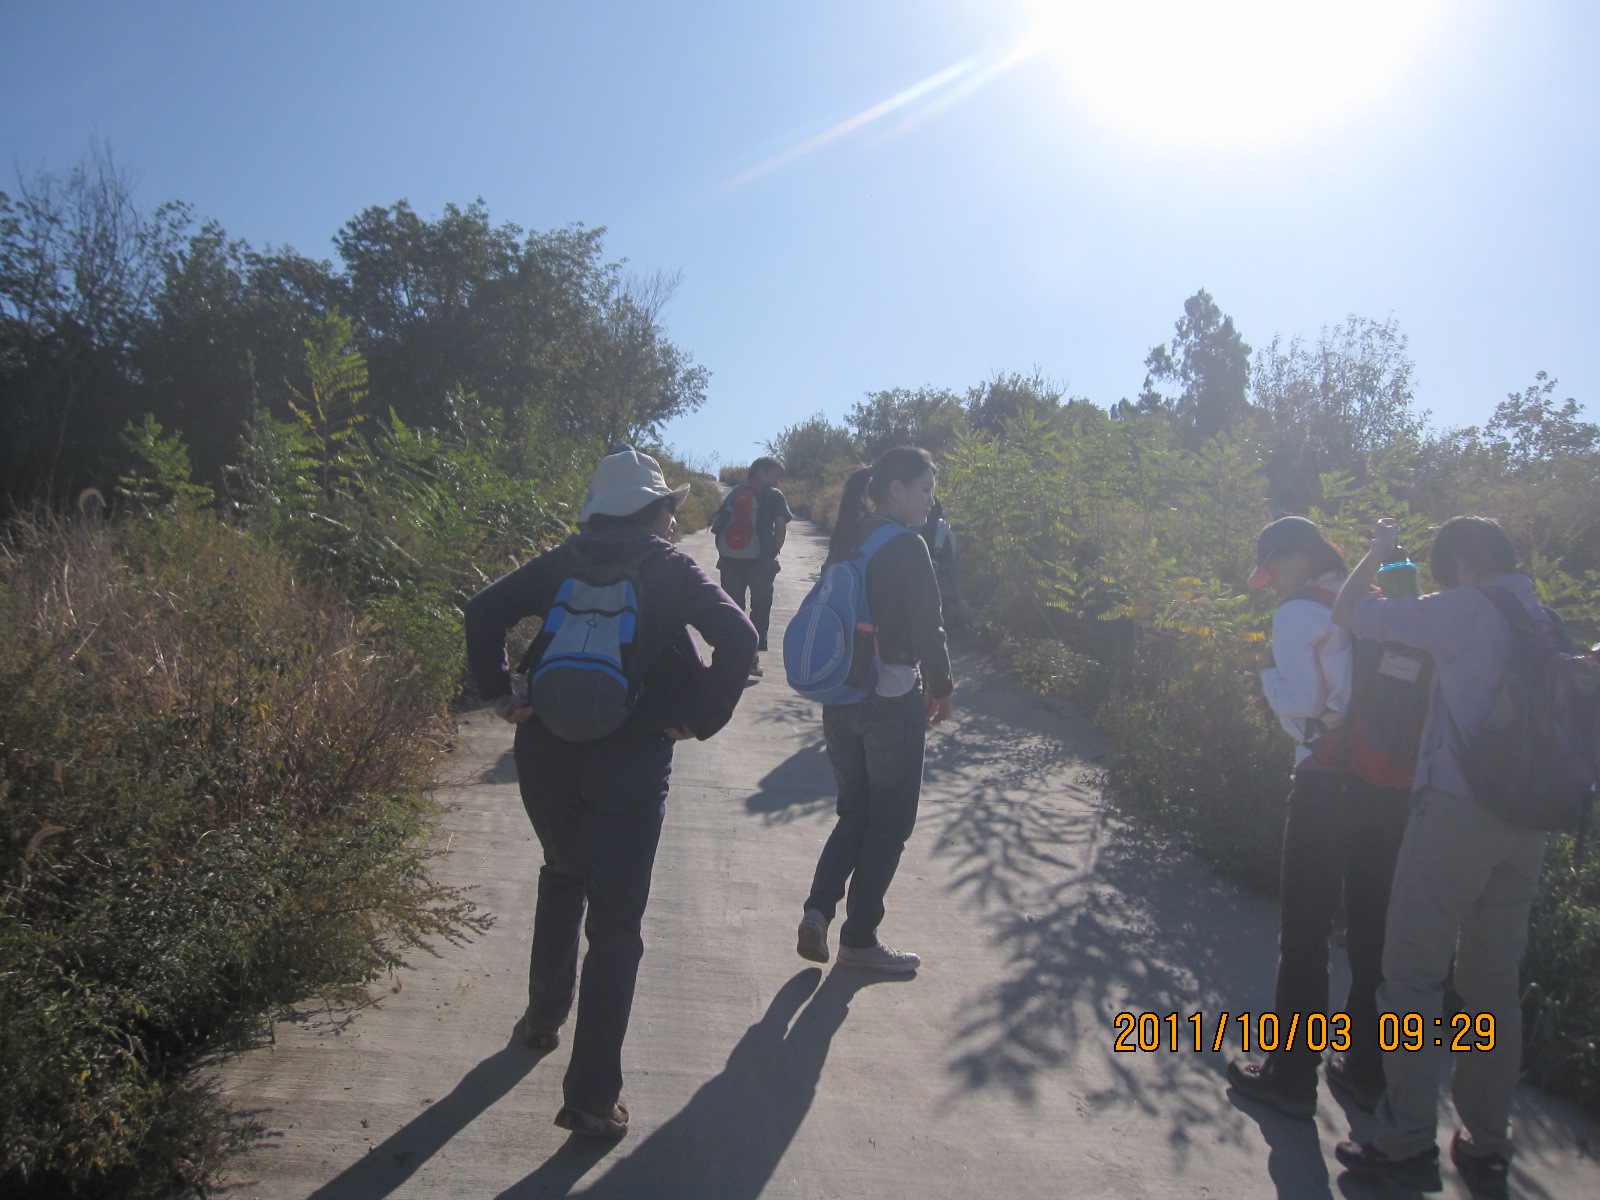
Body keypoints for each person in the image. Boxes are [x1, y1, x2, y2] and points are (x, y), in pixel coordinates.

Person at [464, 446, 758, 1139]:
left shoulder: (558, 561)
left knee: (562, 871)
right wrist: (704, 717)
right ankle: (593, 1098)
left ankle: (542, 1018)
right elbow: (739, 636)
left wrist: (501, 692)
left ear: (598, 509)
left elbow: (482, 611)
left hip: (545, 748)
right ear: (656, 512)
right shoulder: (671, 568)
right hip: (632, 759)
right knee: (617, 925)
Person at [1331, 516, 1552, 1198]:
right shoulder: (1544, 619)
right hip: (1528, 824)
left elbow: (1350, 612)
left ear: (1457, 562)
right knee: (1493, 988)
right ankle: (1487, 1145)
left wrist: (1379, 552)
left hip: (1456, 815)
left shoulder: (1464, 608)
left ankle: (1404, 1142)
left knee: (1412, 978)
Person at [1225, 516, 1411, 1120]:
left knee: (1305, 932)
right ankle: (1365, 1068)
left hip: (1325, 786)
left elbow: (1305, 704)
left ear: (1301, 558)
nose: (1273, 582)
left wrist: (1267, 677)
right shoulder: (1377, 601)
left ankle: (1290, 1076)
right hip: (1389, 785)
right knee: (1371, 932)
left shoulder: (1299, 612)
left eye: (1274, 568)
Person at [795, 446, 953, 973]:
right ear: (896, 490)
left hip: (841, 698)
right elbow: (928, 625)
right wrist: (942, 686)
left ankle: (818, 910)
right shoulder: (907, 545)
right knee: (889, 823)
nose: (930, 501)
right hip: (890, 700)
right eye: (925, 489)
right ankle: (859, 940)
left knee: (854, 813)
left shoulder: (850, 536)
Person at [712, 456, 794, 676]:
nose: (777, 481)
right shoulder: (774, 495)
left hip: (730, 560)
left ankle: (731, 655)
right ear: (760, 472)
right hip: (760, 562)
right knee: (760, 608)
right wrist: (773, 551)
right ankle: (751, 657)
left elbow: (718, 525)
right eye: (774, 475)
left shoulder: (735, 492)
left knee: (732, 608)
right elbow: (781, 527)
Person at [919, 497, 962, 605]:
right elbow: (956, 568)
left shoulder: (915, 533)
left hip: (922, 593)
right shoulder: (948, 534)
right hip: (945, 591)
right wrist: (951, 588)